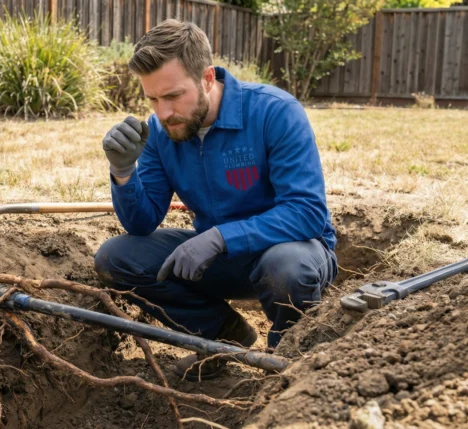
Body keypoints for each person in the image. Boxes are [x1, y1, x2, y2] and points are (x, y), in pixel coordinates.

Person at [93, 19, 338, 380]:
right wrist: (123, 172)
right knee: (116, 258)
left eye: (173, 96)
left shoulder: (274, 112)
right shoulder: (161, 131)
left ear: (207, 78)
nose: (163, 112)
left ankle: (287, 360)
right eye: (153, 99)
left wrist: (223, 237)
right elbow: (141, 223)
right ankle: (221, 335)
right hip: (220, 261)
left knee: (286, 268)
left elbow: (307, 212)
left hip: (293, 253)